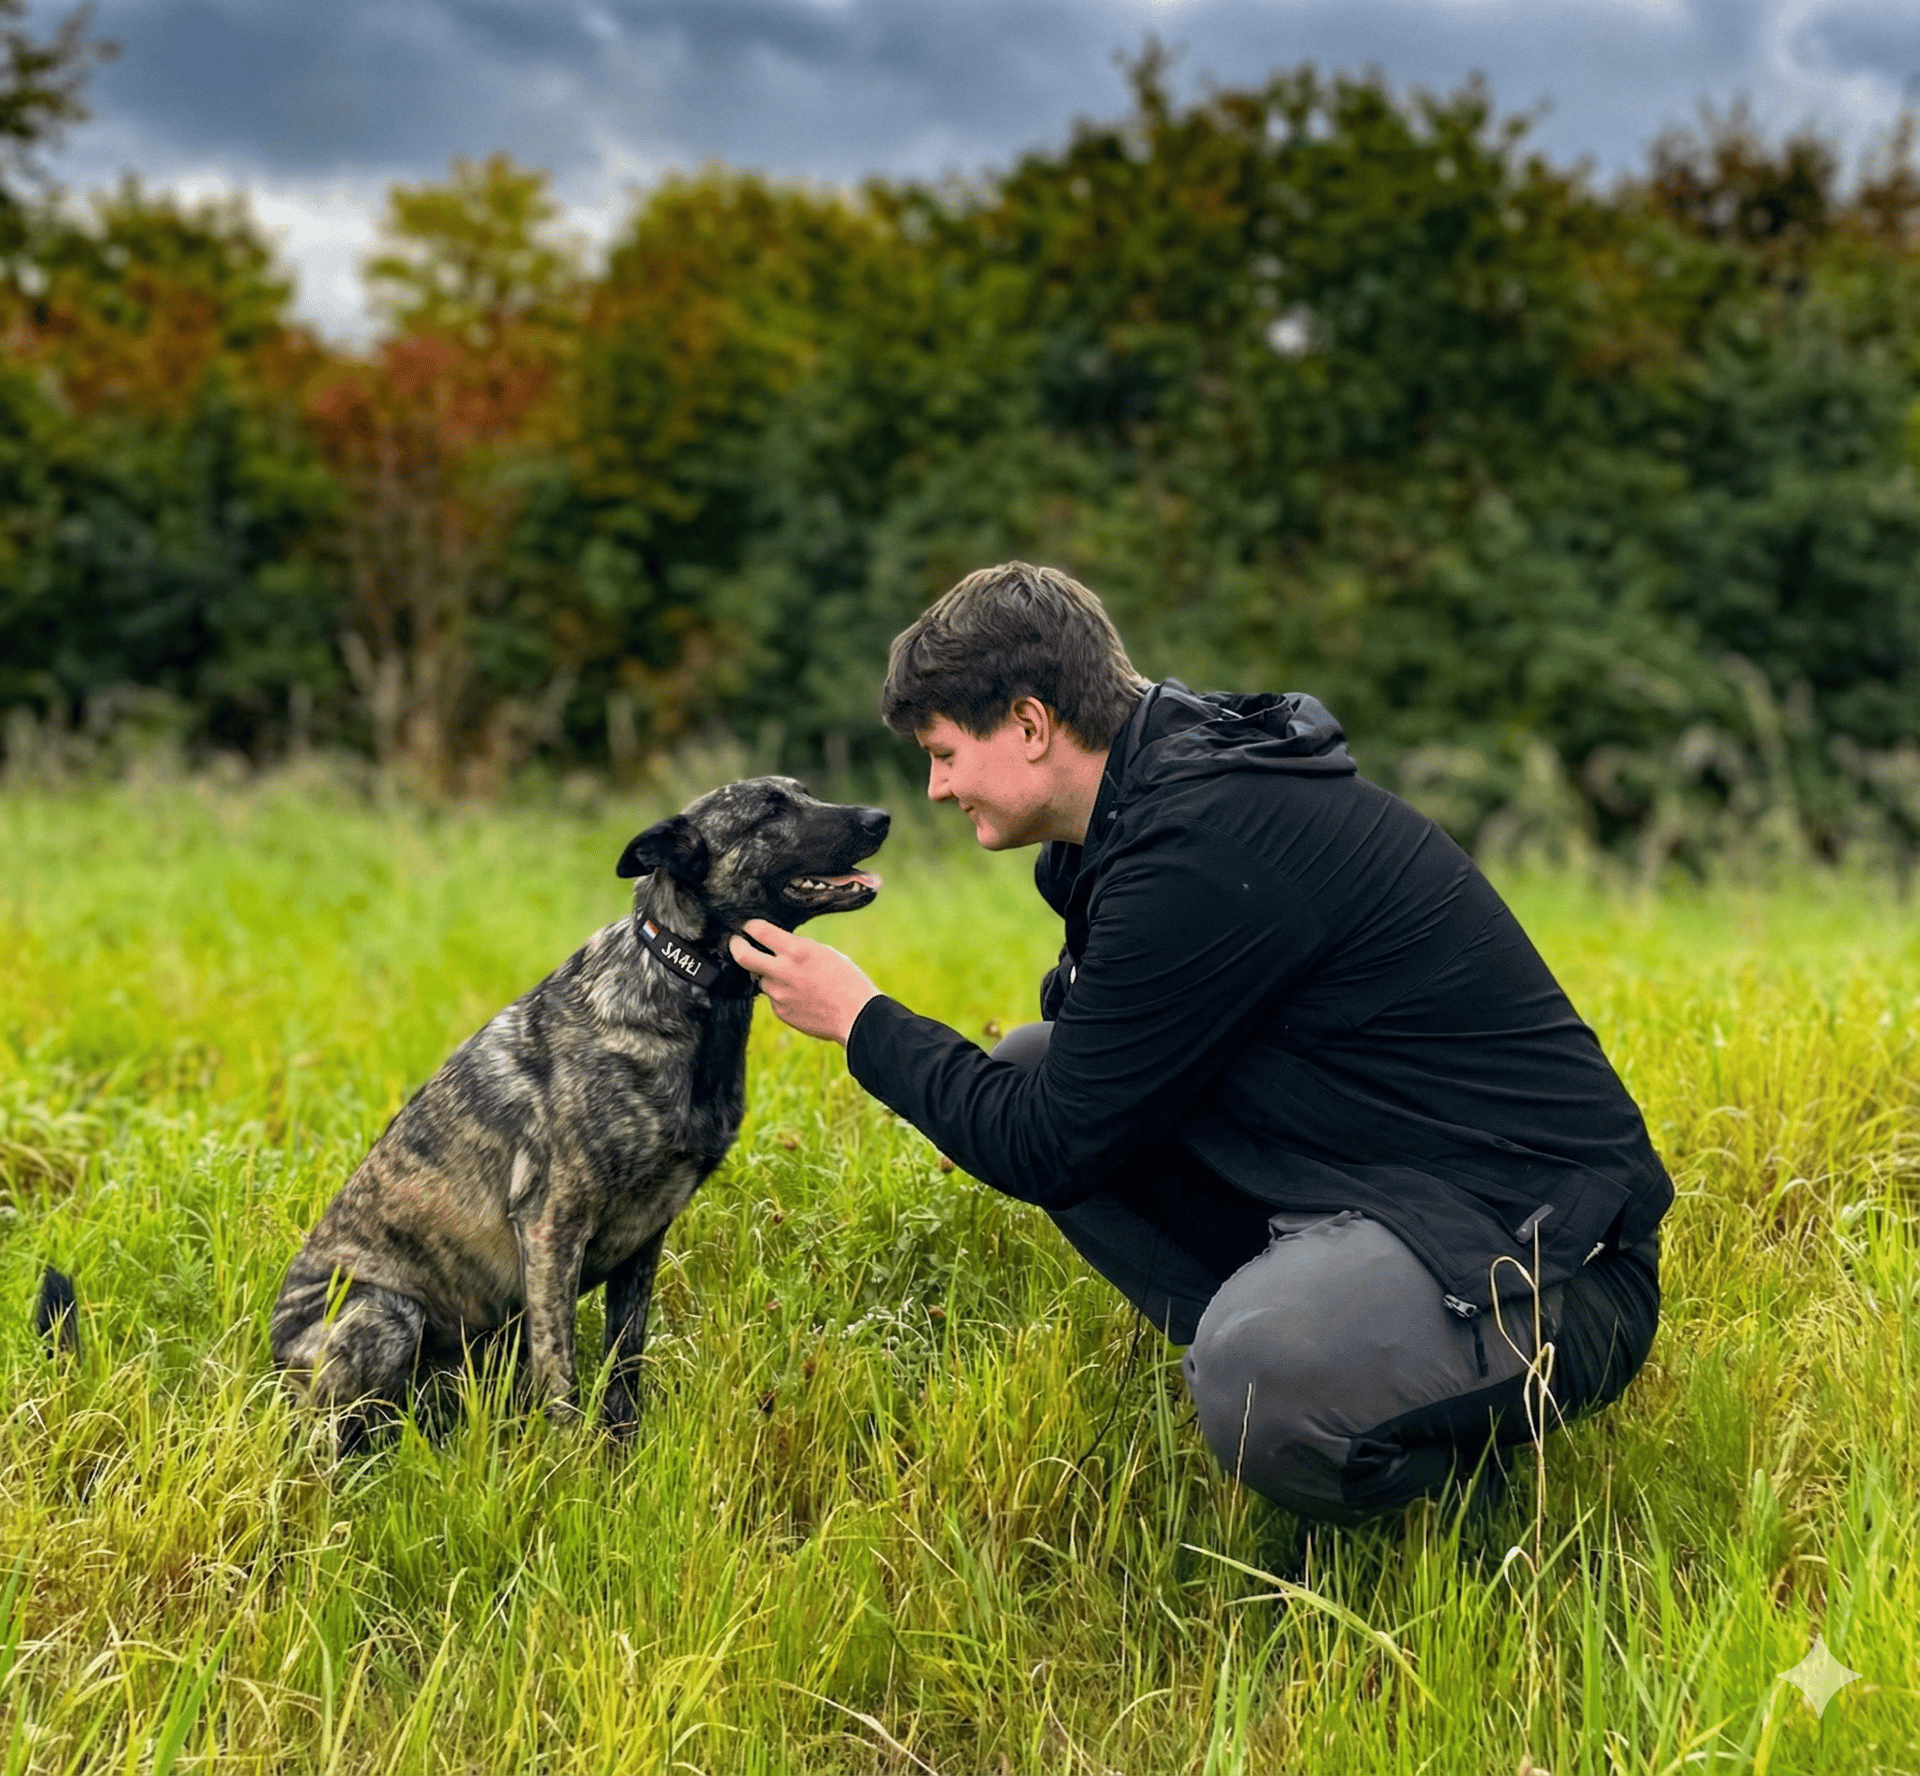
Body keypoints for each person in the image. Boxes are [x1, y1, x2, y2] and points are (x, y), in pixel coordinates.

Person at [728, 562, 1671, 1524]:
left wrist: (861, 1021)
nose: (933, 789)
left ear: (1028, 724)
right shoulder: (1141, 811)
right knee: (1030, 1061)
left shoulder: (1204, 845)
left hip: (1553, 1265)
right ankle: (1333, 1346)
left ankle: (1429, 1502)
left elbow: (1050, 1142)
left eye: (941, 753)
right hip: (1393, 1185)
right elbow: (1082, 1097)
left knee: (1258, 1380)